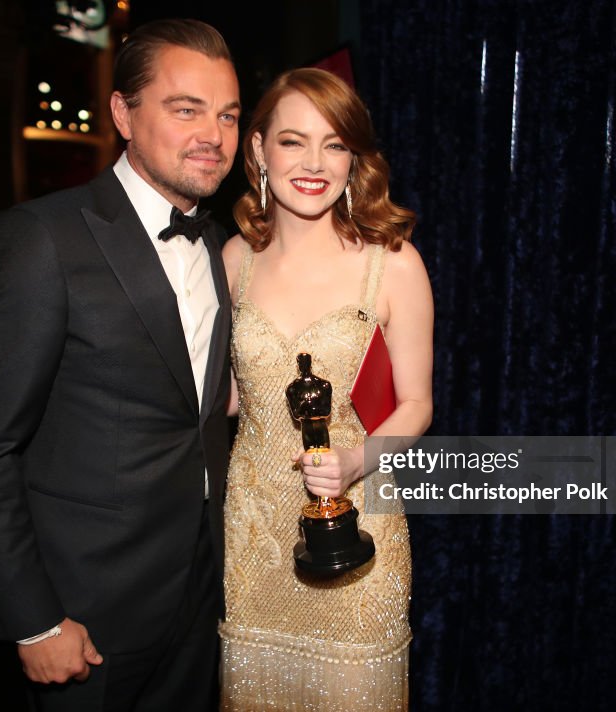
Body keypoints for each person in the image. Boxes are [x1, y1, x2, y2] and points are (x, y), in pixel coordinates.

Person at [0, 19, 239, 712]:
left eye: (227, 114)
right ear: (122, 114)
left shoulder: (222, 244)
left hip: (201, 598)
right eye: (185, 108)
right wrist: (34, 619)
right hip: (88, 612)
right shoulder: (41, 238)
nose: (213, 135)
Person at [219, 68, 434, 710]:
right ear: (258, 150)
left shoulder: (392, 262)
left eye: (335, 144)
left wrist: (355, 462)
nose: (314, 163)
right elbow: (225, 399)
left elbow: (417, 404)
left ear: (354, 159)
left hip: (361, 530)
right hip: (254, 535)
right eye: (293, 141)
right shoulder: (232, 261)